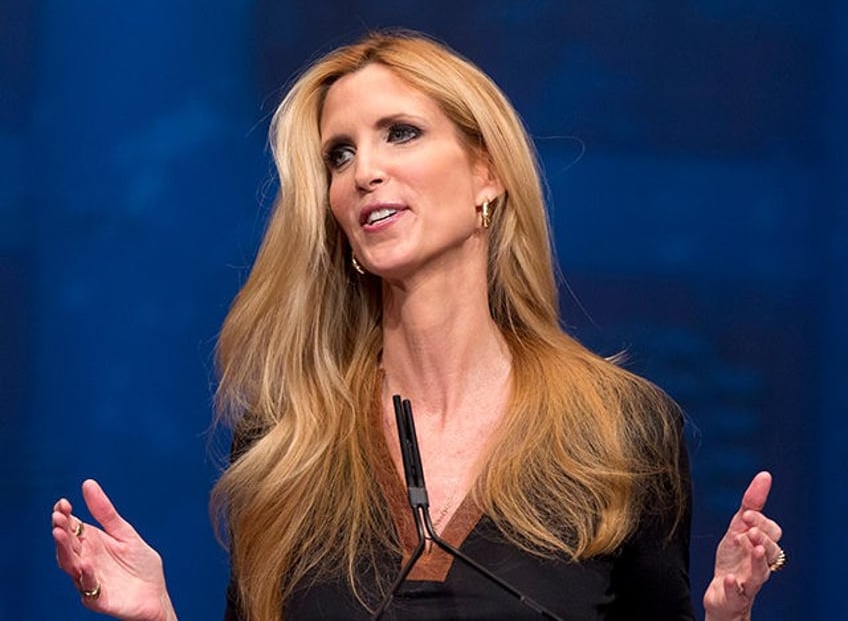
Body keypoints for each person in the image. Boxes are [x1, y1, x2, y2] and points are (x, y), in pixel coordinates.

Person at [52, 31, 786, 620]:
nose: (363, 170)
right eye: (340, 154)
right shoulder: (286, 441)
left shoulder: (621, 428)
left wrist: (728, 617)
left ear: (486, 175)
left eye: (399, 133)